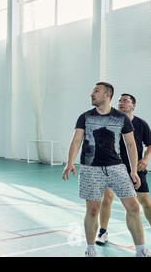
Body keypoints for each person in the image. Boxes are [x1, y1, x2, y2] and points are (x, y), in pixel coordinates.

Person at [62, 82, 149, 257]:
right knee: (93, 209)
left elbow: (131, 144)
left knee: (133, 207)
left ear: (106, 95)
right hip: (90, 169)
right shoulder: (84, 117)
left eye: (96, 91)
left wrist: (133, 170)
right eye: (93, 90)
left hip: (116, 167)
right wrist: (69, 162)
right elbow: (76, 140)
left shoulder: (121, 118)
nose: (92, 94)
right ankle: (90, 248)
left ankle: (141, 250)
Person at [96, 93, 151, 245]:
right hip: (112, 168)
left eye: (125, 101)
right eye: (119, 101)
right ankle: (102, 232)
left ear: (133, 105)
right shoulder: (111, 122)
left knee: (145, 202)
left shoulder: (141, 124)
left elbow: (150, 144)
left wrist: (146, 159)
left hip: (135, 169)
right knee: (106, 199)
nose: (121, 103)